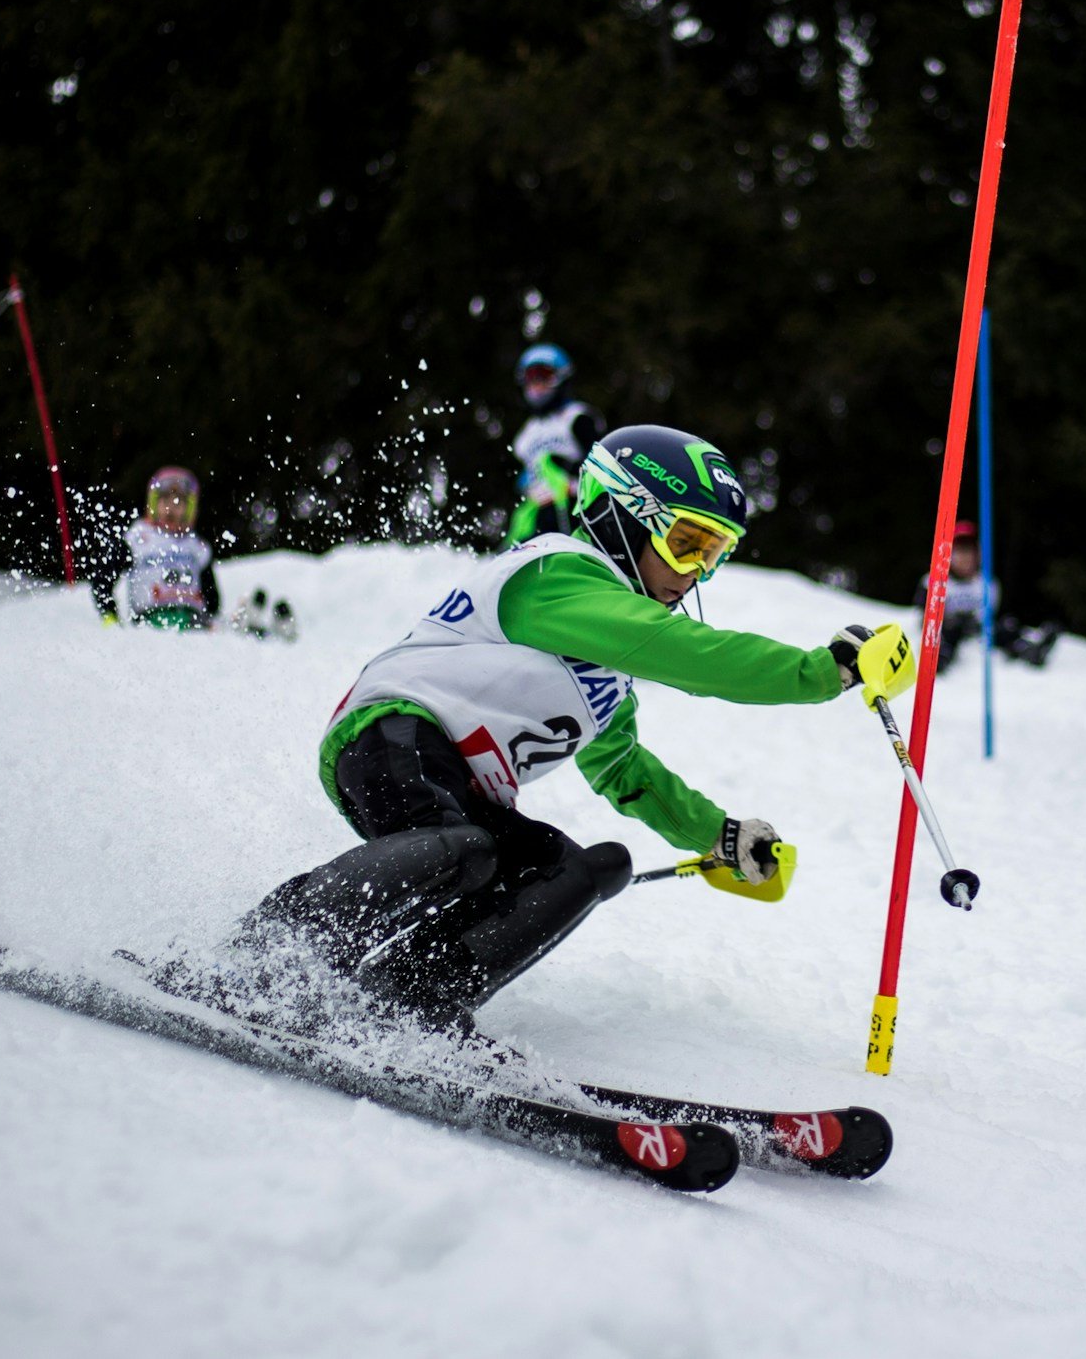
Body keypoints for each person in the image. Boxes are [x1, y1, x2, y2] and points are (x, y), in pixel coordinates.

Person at [209, 422, 916, 1030]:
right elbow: (690, 655)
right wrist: (825, 671)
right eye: (687, 541)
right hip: (388, 735)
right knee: (464, 847)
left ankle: (408, 1001)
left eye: (714, 553)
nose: (695, 573)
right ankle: (268, 954)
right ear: (621, 514)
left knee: (580, 868)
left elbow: (625, 772)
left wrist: (722, 838)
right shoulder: (561, 575)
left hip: (459, 791)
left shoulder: (607, 667)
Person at [89, 466, 221, 628]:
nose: (171, 508)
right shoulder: (137, 538)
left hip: (193, 621)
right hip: (150, 621)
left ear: (190, 509)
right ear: (153, 503)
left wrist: (211, 616)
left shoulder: (196, 545)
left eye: (179, 502)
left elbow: (212, 597)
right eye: (165, 501)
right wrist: (110, 616)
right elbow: (103, 579)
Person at [505, 343, 606, 545]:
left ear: (562, 378)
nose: (537, 386)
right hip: (540, 512)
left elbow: (601, 462)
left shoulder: (577, 417)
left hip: (575, 508)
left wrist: (569, 469)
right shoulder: (525, 435)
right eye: (531, 379)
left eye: (544, 377)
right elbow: (521, 478)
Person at [921, 521, 1058, 668]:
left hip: (980, 632)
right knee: (947, 633)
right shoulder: (934, 582)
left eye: (969, 552)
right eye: (959, 552)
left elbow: (991, 612)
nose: (964, 559)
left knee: (1006, 627)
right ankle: (939, 659)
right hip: (948, 631)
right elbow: (922, 613)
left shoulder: (986, 583)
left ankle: (1028, 650)